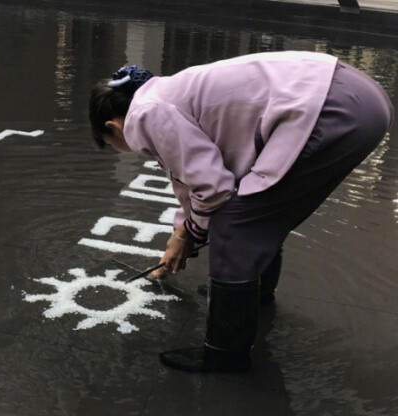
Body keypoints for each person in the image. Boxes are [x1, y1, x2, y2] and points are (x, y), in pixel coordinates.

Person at [88, 51, 394, 373]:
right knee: (261, 209)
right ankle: (251, 295)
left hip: (332, 110)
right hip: (358, 96)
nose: (121, 149)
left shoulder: (146, 114)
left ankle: (226, 353)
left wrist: (187, 234)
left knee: (237, 222)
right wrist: (183, 231)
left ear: (112, 126)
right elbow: (190, 180)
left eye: (110, 143)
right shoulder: (163, 93)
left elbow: (213, 188)